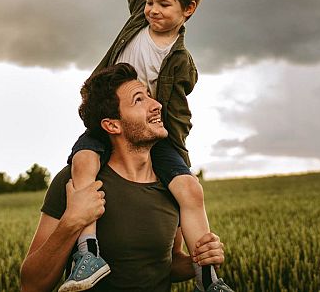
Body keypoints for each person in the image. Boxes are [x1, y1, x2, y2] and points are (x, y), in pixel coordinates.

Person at [61, 0, 229, 292]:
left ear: (188, 10)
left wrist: (178, 161)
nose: (153, 9)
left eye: (163, 5)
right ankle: (87, 255)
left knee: (190, 189)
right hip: (110, 116)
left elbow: (178, 117)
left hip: (153, 132)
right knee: (83, 161)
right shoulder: (140, 13)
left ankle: (208, 278)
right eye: (151, 1)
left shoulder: (182, 64)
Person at [19, 63, 230, 292]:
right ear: (112, 125)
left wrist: (200, 259)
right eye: (139, 100)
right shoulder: (74, 183)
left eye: (149, 96)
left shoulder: (174, 188)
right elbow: (31, 285)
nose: (157, 105)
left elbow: (167, 265)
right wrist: (72, 220)